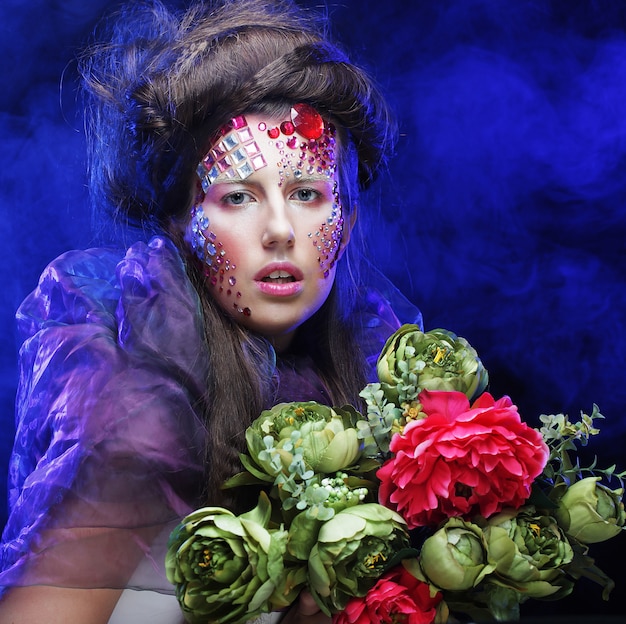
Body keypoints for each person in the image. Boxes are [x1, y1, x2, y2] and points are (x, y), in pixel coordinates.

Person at [0, 0, 421, 622]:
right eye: (238, 197)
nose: (280, 230)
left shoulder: (370, 387)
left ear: (348, 219)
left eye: (308, 194)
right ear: (180, 223)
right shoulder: (138, 416)